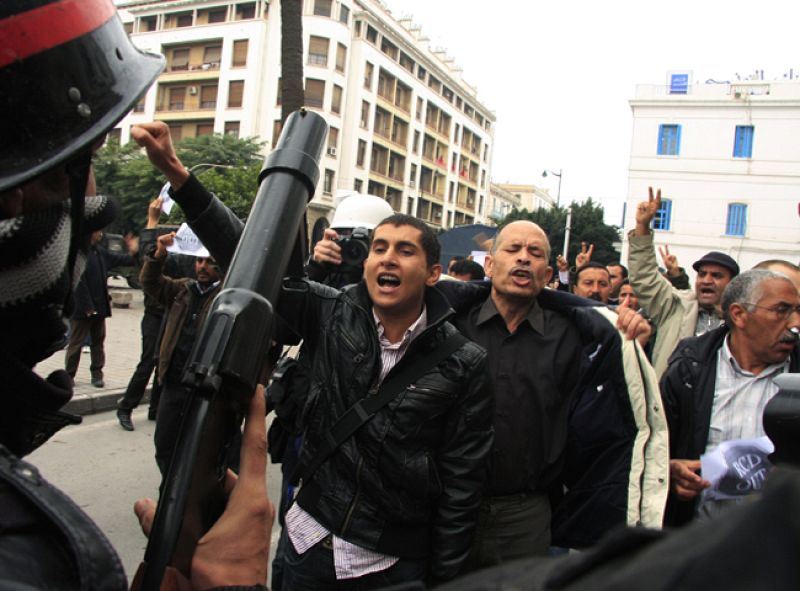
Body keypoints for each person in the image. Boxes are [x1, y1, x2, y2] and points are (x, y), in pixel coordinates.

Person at [131, 120, 494, 587]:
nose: (387, 258)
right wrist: (181, 178)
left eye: (404, 251)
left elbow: (462, 487)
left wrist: (444, 578)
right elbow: (252, 259)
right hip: (305, 547)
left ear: (432, 273)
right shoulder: (329, 311)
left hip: (391, 566)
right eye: (378, 248)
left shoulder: (463, 363)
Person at [0, 1, 273, 589]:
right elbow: (154, 279)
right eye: (86, 166)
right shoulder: (31, 561)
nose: (95, 219)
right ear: (16, 202)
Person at [434, 220, 667, 568]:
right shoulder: (448, 324)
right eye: (513, 249)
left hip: (525, 517)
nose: (523, 259)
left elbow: (607, 415)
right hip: (443, 504)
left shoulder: (579, 337)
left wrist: (629, 339)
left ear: (548, 273)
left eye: (535, 253)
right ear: (490, 265)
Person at [660, 269, 800, 526]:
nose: (795, 323)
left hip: (783, 546)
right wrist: (670, 472)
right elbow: (652, 448)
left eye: (797, 310)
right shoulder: (688, 370)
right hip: (700, 541)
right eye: (782, 310)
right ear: (739, 315)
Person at [139, 232, 229, 479]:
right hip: (173, 382)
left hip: (204, 386)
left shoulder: (227, 296)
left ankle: (192, 493)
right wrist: (158, 255)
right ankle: (170, 486)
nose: (203, 266)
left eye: (210, 262)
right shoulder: (182, 290)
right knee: (165, 443)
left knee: (204, 447)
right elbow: (150, 282)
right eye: (200, 261)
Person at [628, 187, 740, 377]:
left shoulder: (741, 319)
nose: (706, 280)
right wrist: (642, 228)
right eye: (702, 274)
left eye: (716, 276)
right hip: (671, 402)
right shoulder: (675, 305)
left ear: (733, 284)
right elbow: (644, 277)